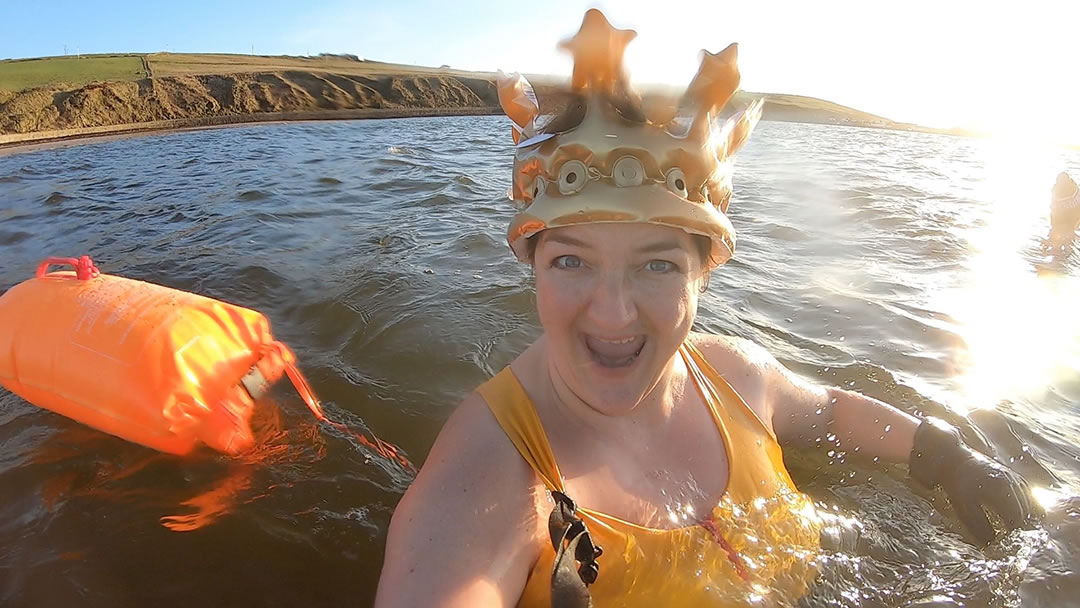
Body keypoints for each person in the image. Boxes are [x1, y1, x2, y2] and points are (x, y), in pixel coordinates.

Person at [374, 10, 1042, 607]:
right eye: (571, 260)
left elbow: (833, 412)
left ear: (706, 270)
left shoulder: (736, 376)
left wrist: (942, 450)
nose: (612, 314)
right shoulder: (485, 483)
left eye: (657, 265)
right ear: (531, 263)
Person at [1049, 171, 1080, 248]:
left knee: (1062, 240)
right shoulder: (1074, 188)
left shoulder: (1057, 194)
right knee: (1067, 239)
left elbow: (1054, 211)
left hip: (1068, 219)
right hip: (1073, 219)